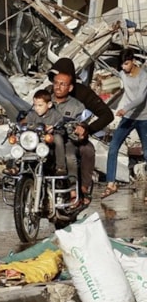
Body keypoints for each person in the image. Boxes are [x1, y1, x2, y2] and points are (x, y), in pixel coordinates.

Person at [50, 62, 98, 208]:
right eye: (56, 83)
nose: (58, 87)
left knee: (76, 155)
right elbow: (33, 112)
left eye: (62, 84)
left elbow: (82, 121)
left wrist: (82, 128)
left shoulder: (77, 105)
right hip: (46, 140)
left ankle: (78, 189)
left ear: (70, 87)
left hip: (67, 140)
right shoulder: (46, 100)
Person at [102, 49, 147, 199]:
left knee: (146, 153)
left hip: (143, 118)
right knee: (113, 148)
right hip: (127, 118)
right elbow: (110, 69)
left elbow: (141, 98)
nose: (124, 67)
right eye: (122, 64)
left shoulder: (143, 76)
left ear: (133, 61)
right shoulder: (122, 73)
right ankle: (110, 184)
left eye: (126, 63)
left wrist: (125, 108)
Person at [14, 89, 68, 175]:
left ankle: (60, 167)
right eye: (35, 105)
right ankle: (15, 165)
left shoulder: (56, 115)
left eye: (40, 105)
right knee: (18, 138)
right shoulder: (32, 114)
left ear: (49, 104)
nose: (37, 108)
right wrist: (19, 126)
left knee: (58, 139)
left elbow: (61, 125)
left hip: (48, 138)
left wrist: (54, 128)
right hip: (34, 139)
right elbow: (24, 122)